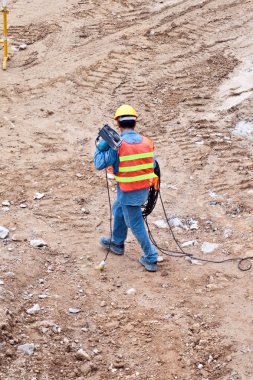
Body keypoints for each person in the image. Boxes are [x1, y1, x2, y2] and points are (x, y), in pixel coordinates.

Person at [94, 104, 158, 272]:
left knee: (135, 223)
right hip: (143, 189)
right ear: (135, 123)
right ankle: (117, 242)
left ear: (118, 124)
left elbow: (99, 164)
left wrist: (101, 146)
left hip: (129, 191)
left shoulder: (118, 146)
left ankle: (151, 257)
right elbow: (153, 164)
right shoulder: (147, 142)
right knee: (118, 208)